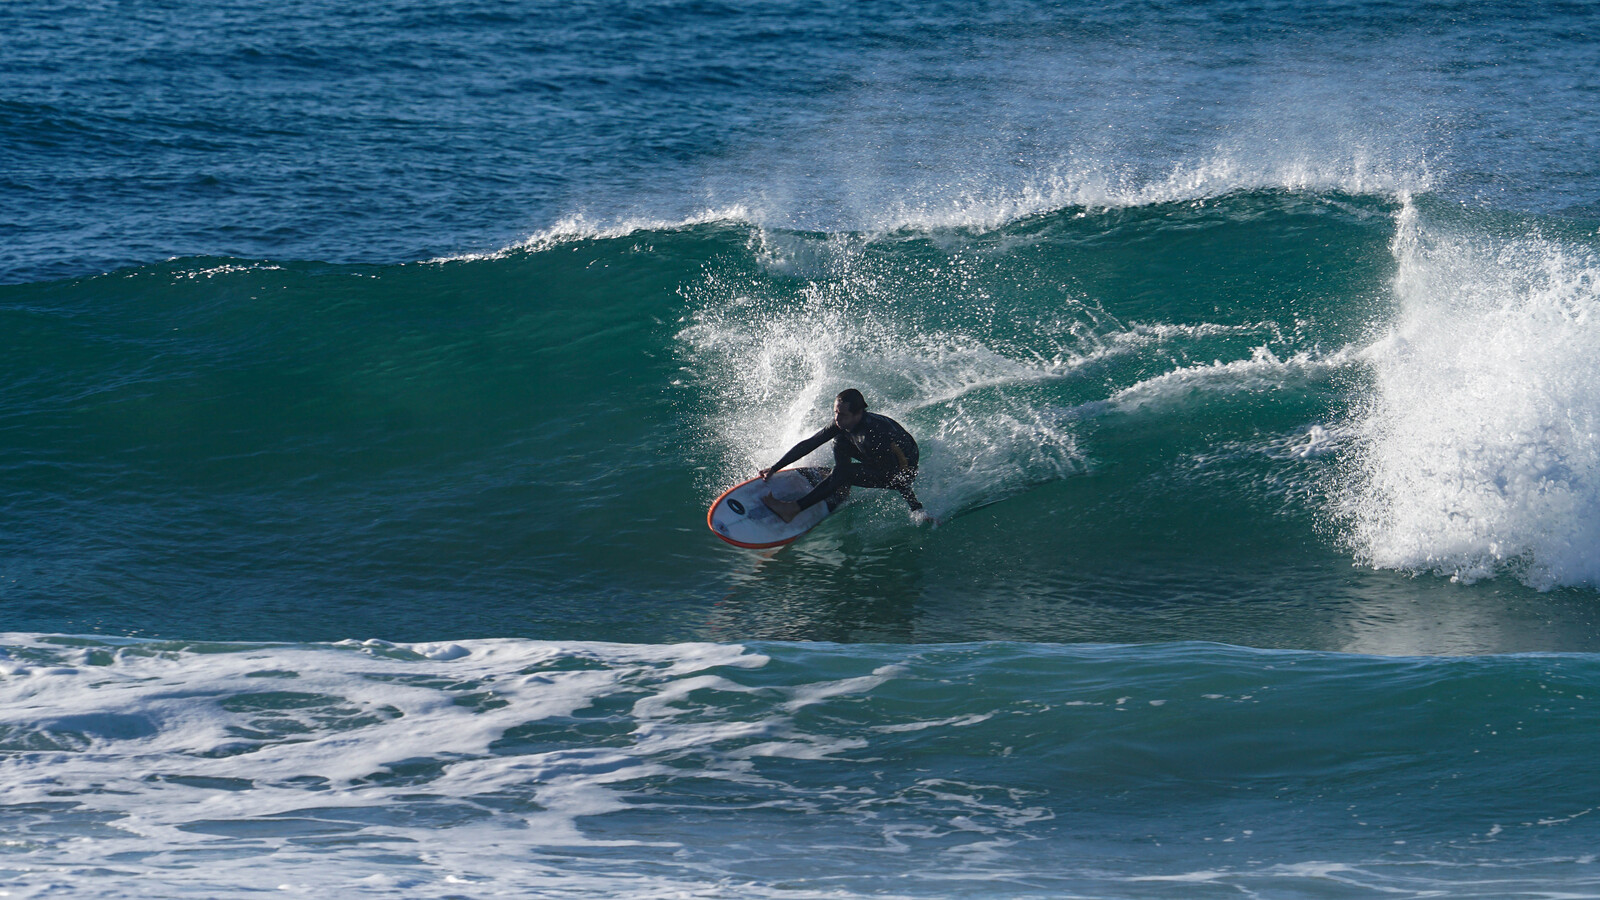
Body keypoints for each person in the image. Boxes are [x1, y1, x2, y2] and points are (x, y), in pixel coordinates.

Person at [759, 388, 928, 523]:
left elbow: (902, 476)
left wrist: (916, 507)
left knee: (844, 471)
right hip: (873, 458)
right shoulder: (843, 423)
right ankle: (841, 485)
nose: (837, 419)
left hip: (898, 470)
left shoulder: (875, 435)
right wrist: (775, 468)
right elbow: (811, 443)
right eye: (835, 413)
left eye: (842, 414)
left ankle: (792, 510)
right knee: (839, 438)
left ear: (858, 413)